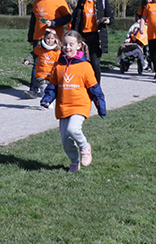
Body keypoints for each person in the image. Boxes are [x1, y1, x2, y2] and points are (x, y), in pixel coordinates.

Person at [40, 30, 106, 174]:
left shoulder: (85, 66)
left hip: (80, 105)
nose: (67, 47)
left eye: (71, 44)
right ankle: (74, 162)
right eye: (65, 44)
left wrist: (101, 106)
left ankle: (85, 147)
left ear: (79, 46)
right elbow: (52, 86)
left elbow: (94, 89)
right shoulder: (58, 66)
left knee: (73, 129)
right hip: (63, 106)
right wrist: (47, 100)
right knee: (65, 140)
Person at [70, 0, 114, 83]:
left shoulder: (102, 1)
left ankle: (96, 86)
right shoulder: (82, 1)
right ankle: (84, 84)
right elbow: (77, 19)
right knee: (83, 63)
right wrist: (73, 34)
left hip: (96, 37)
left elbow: (111, 17)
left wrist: (107, 20)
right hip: (84, 36)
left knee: (95, 63)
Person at [22, 29, 61, 98]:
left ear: (55, 39)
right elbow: (33, 54)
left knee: (52, 89)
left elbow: (61, 60)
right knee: (44, 88)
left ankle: (50, 99)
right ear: (44, 38)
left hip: (52, 74)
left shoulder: (57, 50)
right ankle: (45, 100)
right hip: (41, 74)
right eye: (48, 38)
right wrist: (27, 60)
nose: (50, 40)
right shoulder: (40, 48)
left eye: (52, 38)